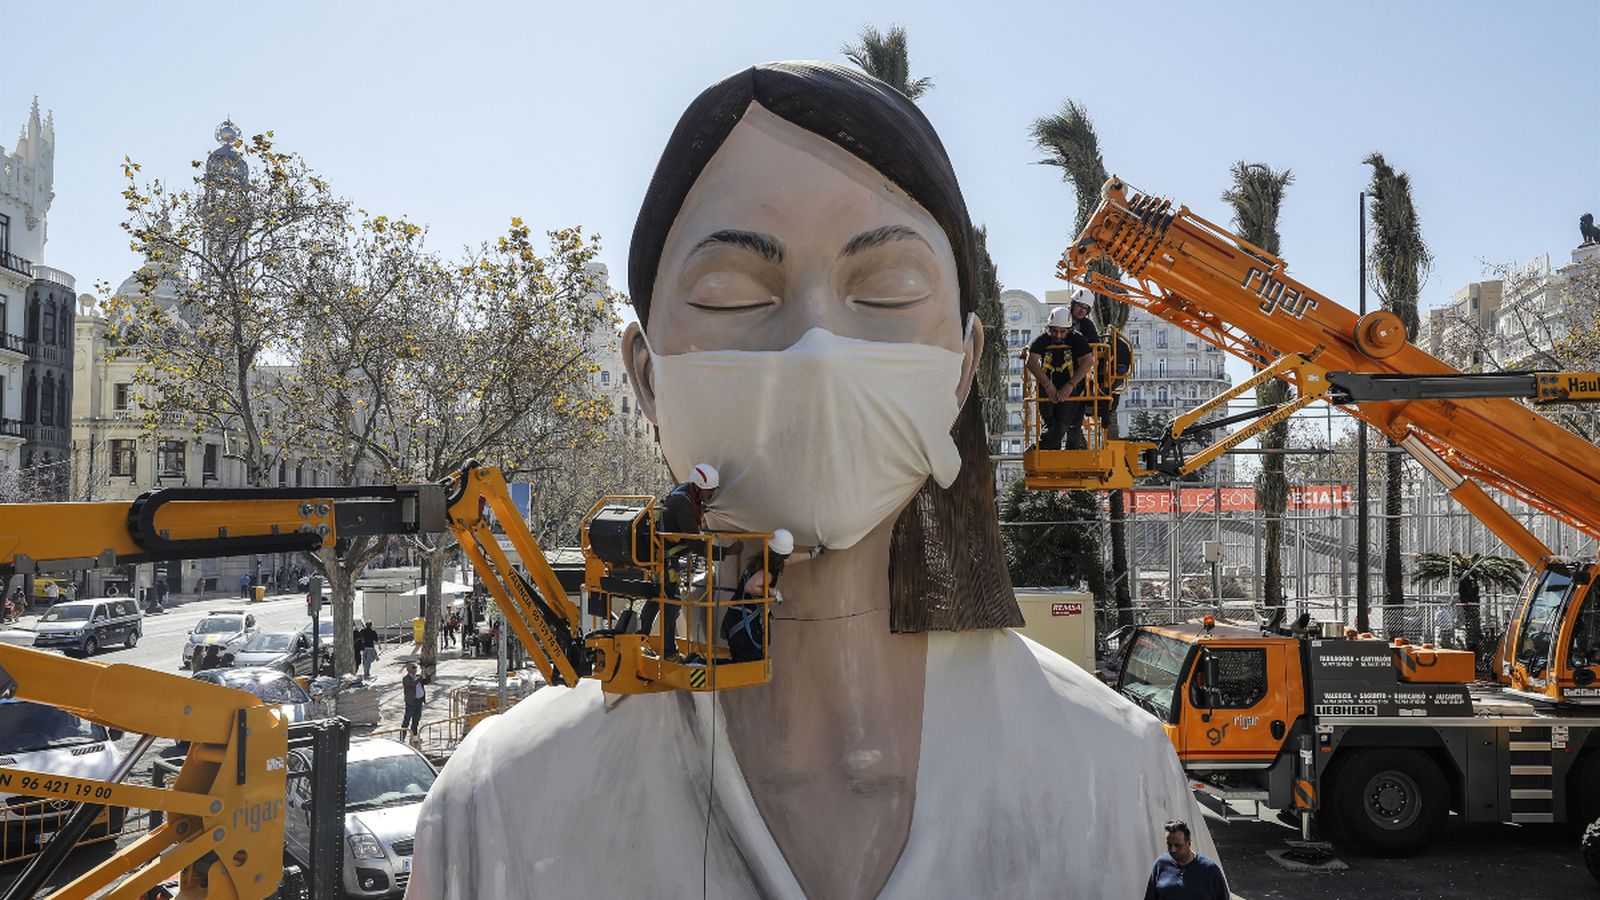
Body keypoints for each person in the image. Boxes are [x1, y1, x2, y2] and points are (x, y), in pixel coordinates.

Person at [411, 61, 1212, 900]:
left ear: (964, 365)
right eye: (730, 295)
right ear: (646, 376)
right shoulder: (499, 810)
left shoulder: (1116, 780)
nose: (817, 349)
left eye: (889, 289)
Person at [635, 463, 718, 660]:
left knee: (656, 598)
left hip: (659, 554)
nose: (712, 494)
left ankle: (641, 638)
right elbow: (696, 545)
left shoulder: (684, 493)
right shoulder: (683, 502)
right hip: (664, 557)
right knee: (671, 603)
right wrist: (726, 551)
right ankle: (669, 651)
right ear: (698, 487)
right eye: (709, 491)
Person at [719, 529, 820, 662]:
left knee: (742, 659)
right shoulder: (768, 571)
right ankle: (698, 663)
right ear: (785, 553)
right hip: (743, 625)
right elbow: (751, 586)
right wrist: (773, 592)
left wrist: (812, 554)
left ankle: (699, 662)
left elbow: (787, 560)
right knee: (751, 661)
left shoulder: (764, 559)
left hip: (736, 619)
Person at [1025, 306, 1095, 450]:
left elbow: (1088, 361)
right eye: (1054, 331)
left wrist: (1070, 384)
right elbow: (1031, 362)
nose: (1058, 335)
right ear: (1049, 328)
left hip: (1071, 389)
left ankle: (1039, 448)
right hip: (1047, 388)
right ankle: (1049, 453)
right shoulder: (1042, 339)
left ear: (1069, 329)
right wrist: (1047, 385)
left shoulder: (1077, 339)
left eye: (1062, 332)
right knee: (1050, 425)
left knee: (1066, 424)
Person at [1144, 820, 1228, 900]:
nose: (1172, 850)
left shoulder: (1210, 870)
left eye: (1178, 845)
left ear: (1188, 843)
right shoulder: (1160, 864)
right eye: (1169, 845)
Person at [401, 662, 427, 743]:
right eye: (413, 667)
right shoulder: (406, 678)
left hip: (419, 701)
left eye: (416, 667)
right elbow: (412, 684)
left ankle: (414, 738)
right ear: (408, 669)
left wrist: (426, 673)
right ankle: (402, 738)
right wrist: (420, 678)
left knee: (416, 720)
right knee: (407, 720)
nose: (415, 669)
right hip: (411, 702)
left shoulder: (418, 677)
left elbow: (426, 681)